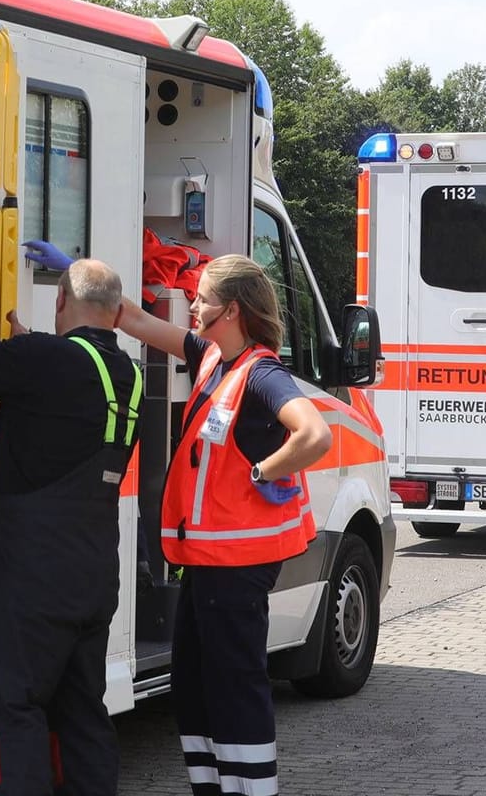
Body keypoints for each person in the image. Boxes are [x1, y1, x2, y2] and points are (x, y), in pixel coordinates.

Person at [0, 250, 142, 796]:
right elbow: (66, 399)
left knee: (11, 711)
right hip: (92, 575)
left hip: (29, 580)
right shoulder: (129, 374)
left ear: (61, 300)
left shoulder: (41, 359)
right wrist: (29, 345)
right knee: (82, 711)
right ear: (115, 314)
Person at [113, 254, 332, 796]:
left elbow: (316, 435)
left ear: (230, 310)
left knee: (233, 687)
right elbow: (134, 320)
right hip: (208, 565)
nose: (192, 303)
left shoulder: (261, 374)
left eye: (202, 297)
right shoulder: (213, 357)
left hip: (237, 566)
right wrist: (69, 266)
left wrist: (265, 469)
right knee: (195, 685)